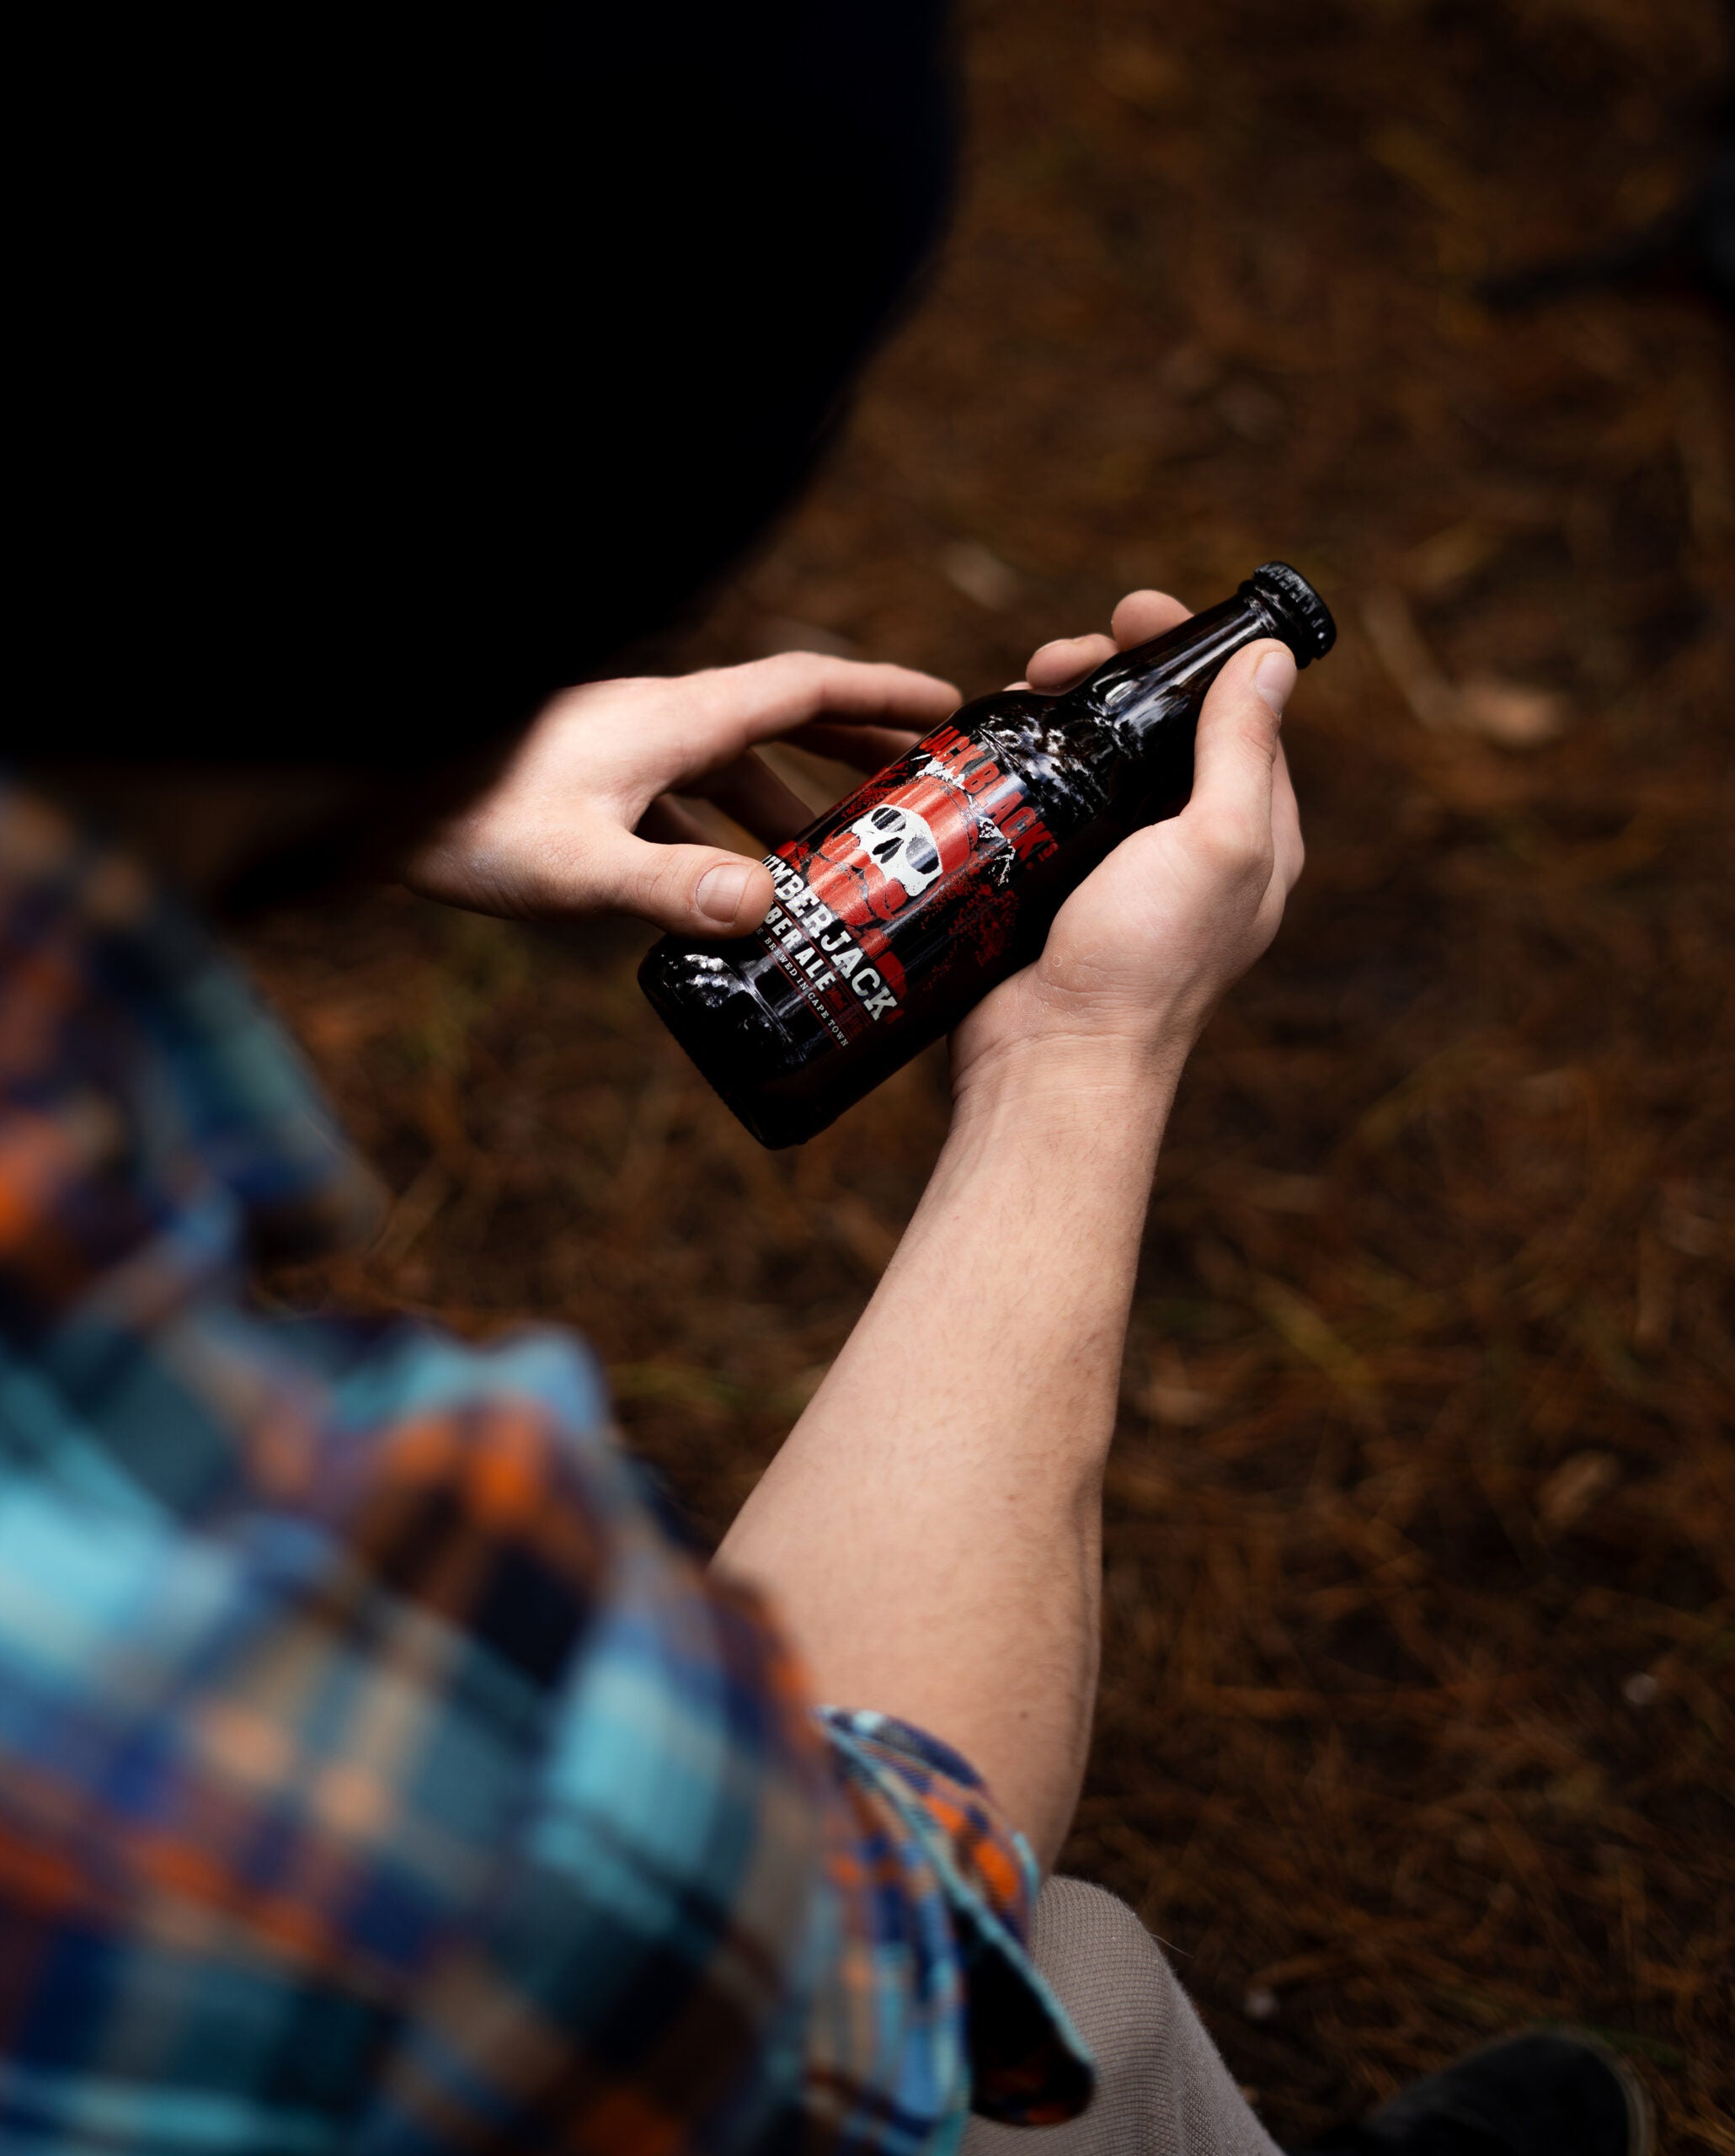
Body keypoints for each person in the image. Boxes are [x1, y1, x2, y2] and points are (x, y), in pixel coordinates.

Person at [2, 4, 1652, 2151]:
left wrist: (352, 765)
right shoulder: (199, 1617)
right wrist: (1081, 1054)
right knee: (1076, 2004)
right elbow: (862, 1941)